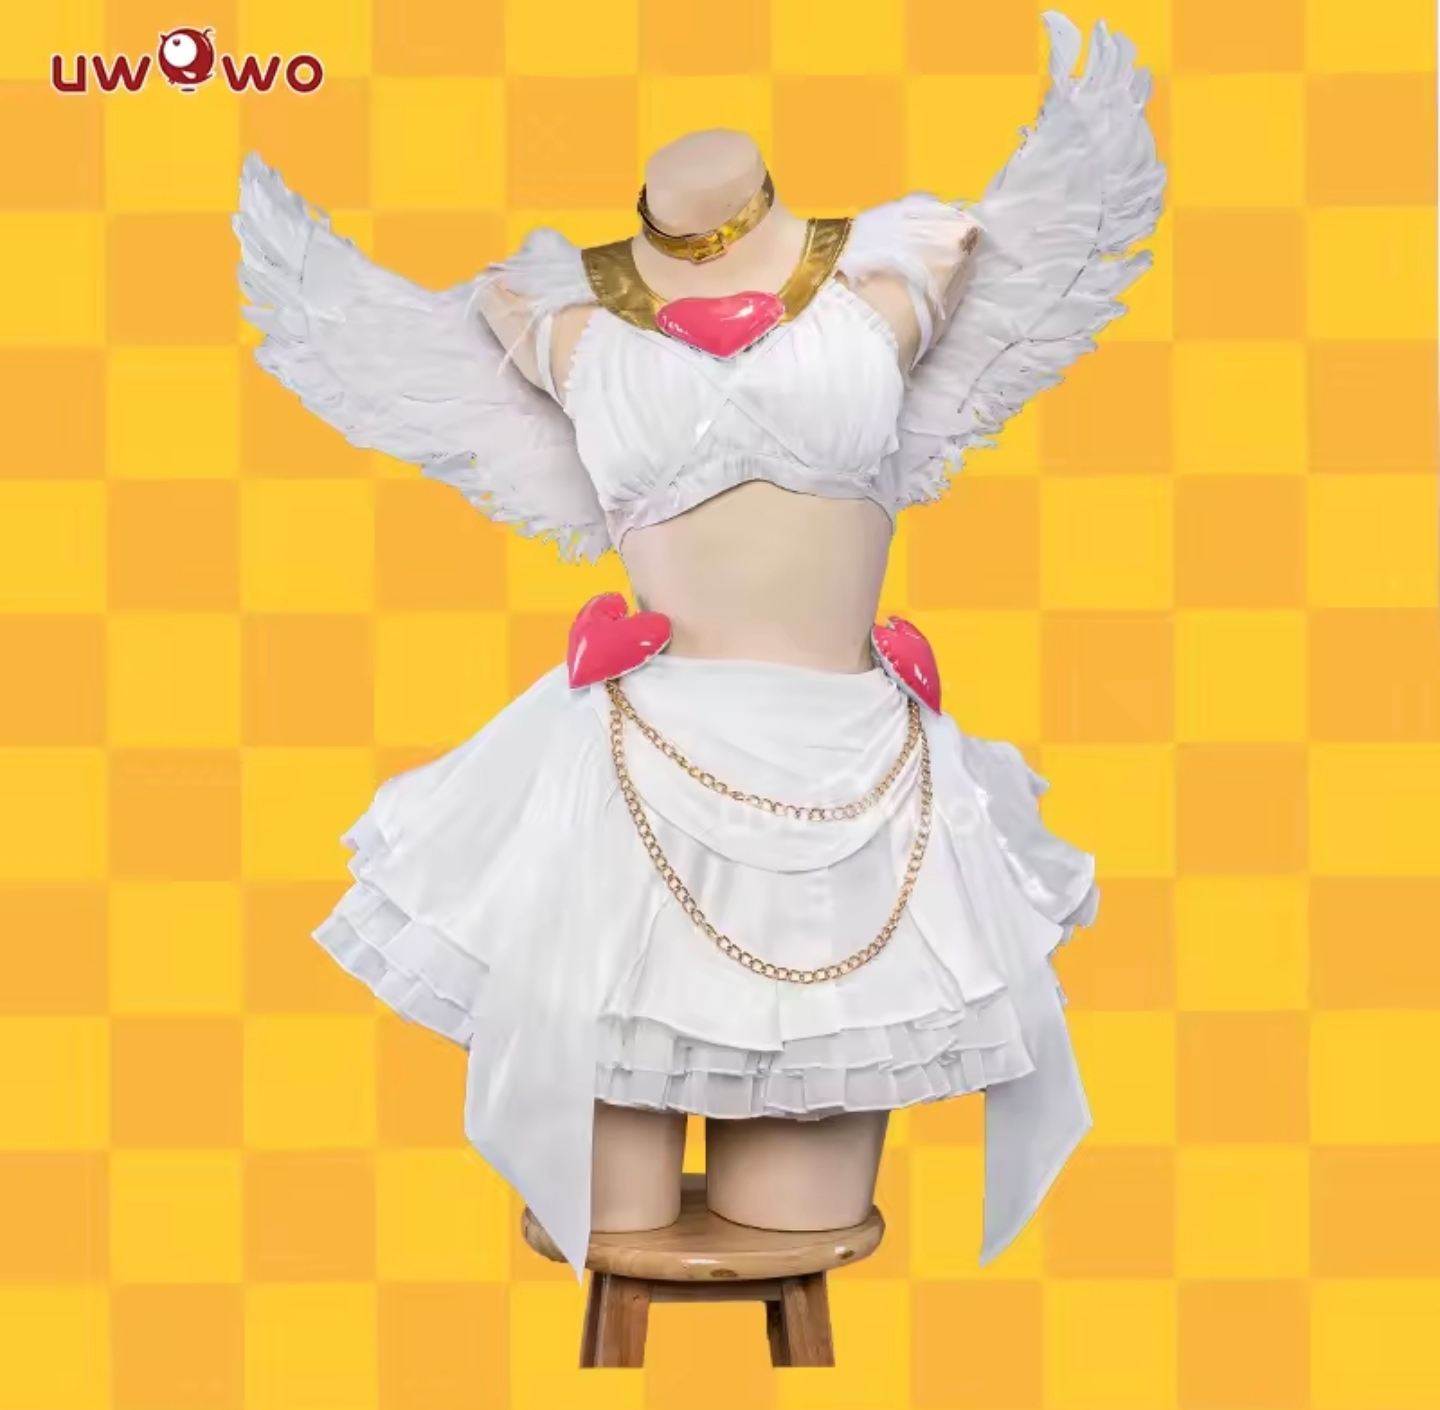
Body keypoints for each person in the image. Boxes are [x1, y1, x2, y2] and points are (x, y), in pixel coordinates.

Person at [233, 12, 1164, 1278]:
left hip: (853, 778)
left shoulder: (909, 268)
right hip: (633, 778)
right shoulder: (544, 312)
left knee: (796, 1222)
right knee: (607, 1217)